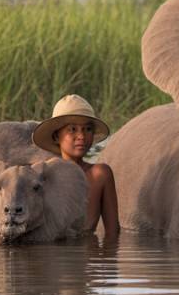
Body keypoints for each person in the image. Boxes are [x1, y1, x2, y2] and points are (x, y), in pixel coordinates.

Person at [32, 94, 119, 237]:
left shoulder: (100, 174)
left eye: (88, 129)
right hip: (50, 256)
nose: (82, 136)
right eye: (72, 129)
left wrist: (106, 258)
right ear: (56, 137)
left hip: (89, 255)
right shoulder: (40, 176)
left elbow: (113, 233)